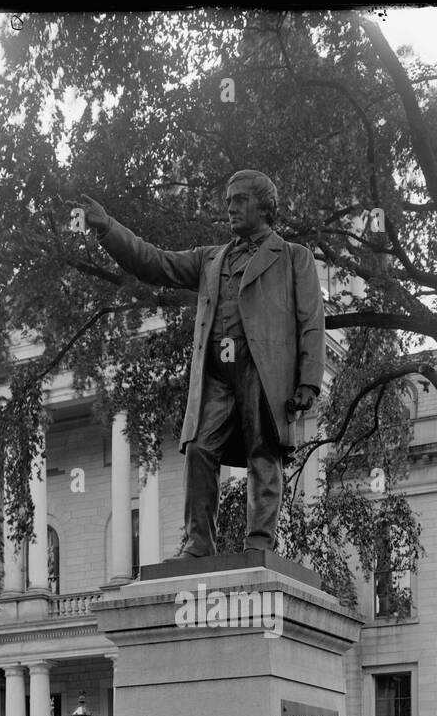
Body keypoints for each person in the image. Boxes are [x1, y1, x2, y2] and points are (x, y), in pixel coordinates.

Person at [75, 170, 325, 558]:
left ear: (264, 205)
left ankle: (260, 542)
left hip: (264, 370)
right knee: (198, 449)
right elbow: (153, 262)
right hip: (217, 375)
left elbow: (311, 320)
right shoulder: (211, 258)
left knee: (263, 451)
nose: (230, 207)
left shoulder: (294, 257)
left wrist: (309, 379)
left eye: (239, 199)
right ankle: (198, 543)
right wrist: (108, 228)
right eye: (228, 200)